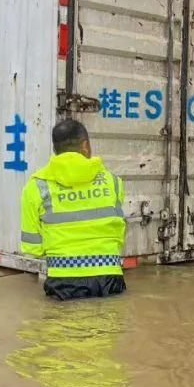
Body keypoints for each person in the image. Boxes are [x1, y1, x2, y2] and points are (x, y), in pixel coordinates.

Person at [20, 119, 127, 299]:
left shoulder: (36, 187)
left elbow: (33, 247)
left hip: (63, 281)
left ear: (55, 150)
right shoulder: (113, 182)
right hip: (109, 278)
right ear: (85, 146)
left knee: (61, 327)